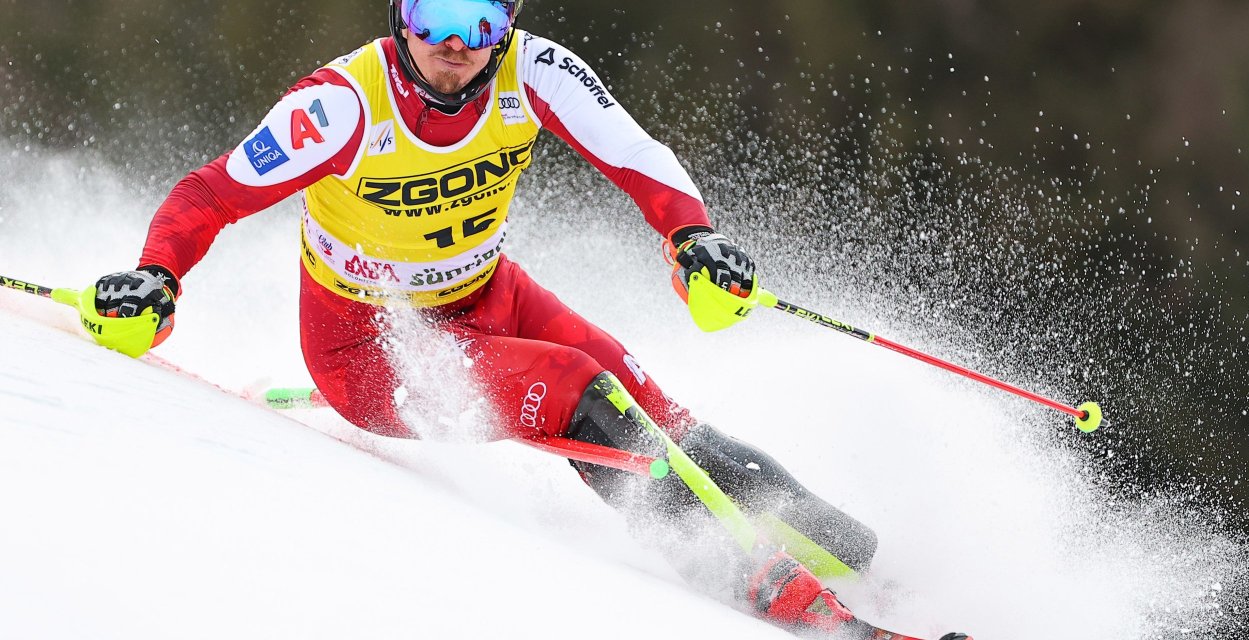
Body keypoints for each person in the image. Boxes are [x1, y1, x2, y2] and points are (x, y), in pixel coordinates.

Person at [92, 2, 967, 638]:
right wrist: (155, 278)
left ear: (507, 23)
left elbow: (635, 154)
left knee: (652, 410)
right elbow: (209, 192)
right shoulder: (344, 106)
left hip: (485, 294)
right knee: (587, 396)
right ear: (402, 15)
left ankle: (862, 565)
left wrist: (693, 235)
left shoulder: (532, 70)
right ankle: (771, 596)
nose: (454, 49)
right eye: (435, 17)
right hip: (372, 346)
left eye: (479, 22)